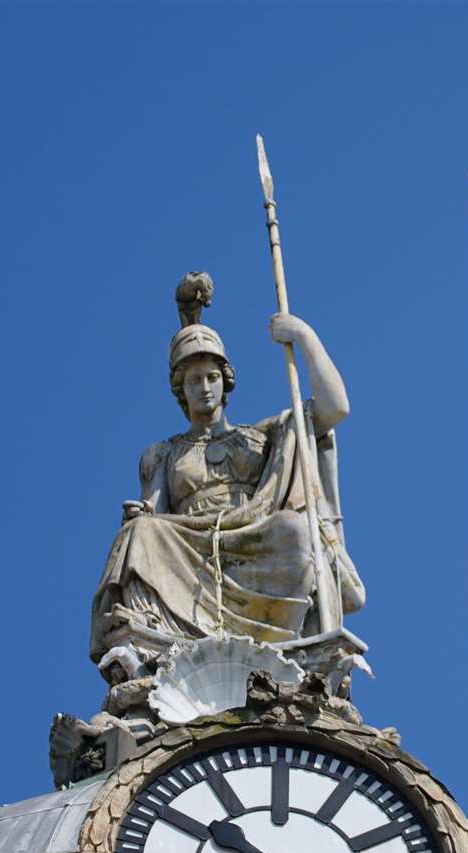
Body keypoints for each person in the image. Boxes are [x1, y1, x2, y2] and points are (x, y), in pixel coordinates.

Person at [88, 273, 363, 665]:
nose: (204, 387)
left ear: (226, 382)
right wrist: (138, 515)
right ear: (180, 390)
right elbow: (154, 512)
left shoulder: (262, 436)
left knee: (294, 530)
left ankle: (284, 634)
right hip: (190, 545)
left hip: (250, 534)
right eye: (194, 379)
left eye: (212, 377)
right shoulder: (163, 453)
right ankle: (152, 624)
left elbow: (335, 407)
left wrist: (304, 336)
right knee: (140, 533)